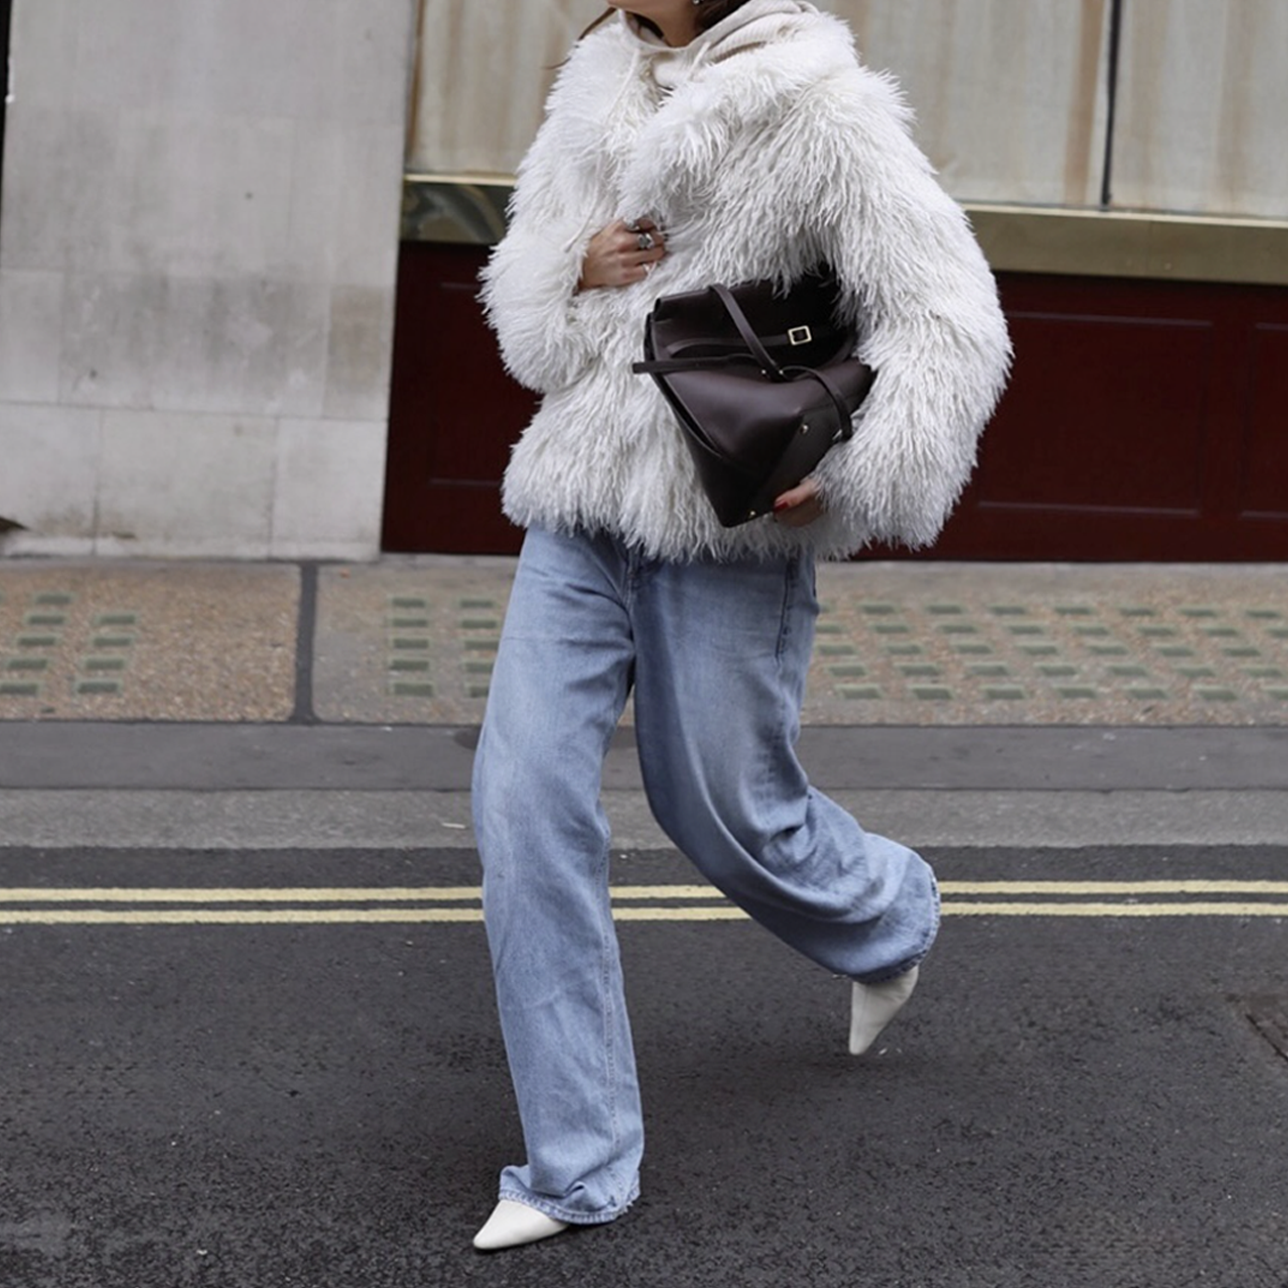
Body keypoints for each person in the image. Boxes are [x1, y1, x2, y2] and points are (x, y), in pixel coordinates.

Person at [469, 0, 1011, 1252]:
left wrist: (864, 476)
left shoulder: (822, 107)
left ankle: (888, 915)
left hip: (731, 512)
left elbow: (951, 321)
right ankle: (576, 1164)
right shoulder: (594, 85)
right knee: (518, 801)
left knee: (717, 802)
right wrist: (570, 270)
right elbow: (531, 329)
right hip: (576, 508)